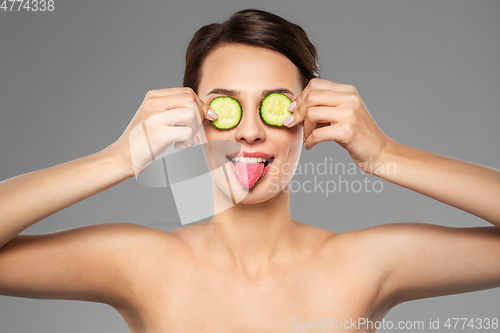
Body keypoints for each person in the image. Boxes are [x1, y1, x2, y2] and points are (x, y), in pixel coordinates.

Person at [0, 9, 499, 333]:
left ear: (307, 120)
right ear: (195, 123)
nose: (251, 133)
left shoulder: (363, 264)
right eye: (226, 108)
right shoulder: (141, 265)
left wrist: (384, 153)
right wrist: (117, 159)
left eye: (275, 107)